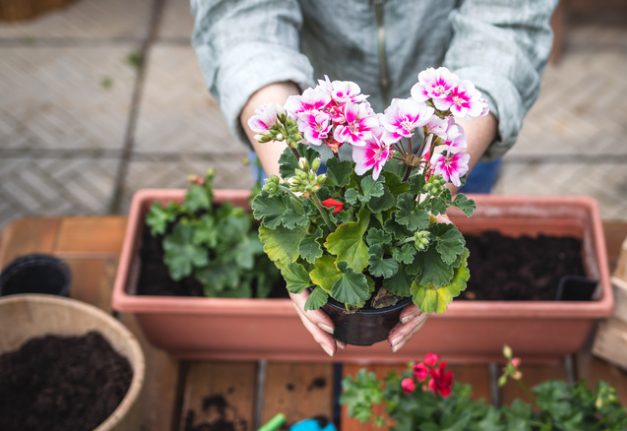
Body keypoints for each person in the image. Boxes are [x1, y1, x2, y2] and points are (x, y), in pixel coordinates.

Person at [191, 0, 556, 356]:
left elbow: (508, 18)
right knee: (295, 222)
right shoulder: (299, 148)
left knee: (435, 243)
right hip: (306, 145)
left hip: (459, 141)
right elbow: (236, 16)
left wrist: (436, 187)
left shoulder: (445, 144)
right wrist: (287, 157)